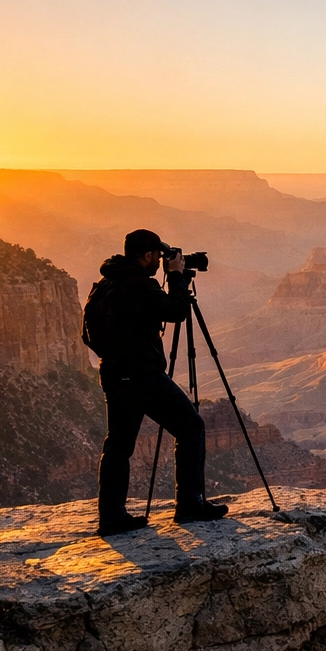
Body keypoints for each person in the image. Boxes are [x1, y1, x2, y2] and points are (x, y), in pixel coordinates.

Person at [87, 228, 229, 534]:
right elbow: (177, 311)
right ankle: (190, 505)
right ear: (148, 255)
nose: (161, 262)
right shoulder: (138, 285)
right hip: (142, 376)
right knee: (191, 427)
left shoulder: (106, 281)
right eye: (158, 256)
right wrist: (177, 277)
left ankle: (111, 518)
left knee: (119, 445)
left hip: (113, 374)